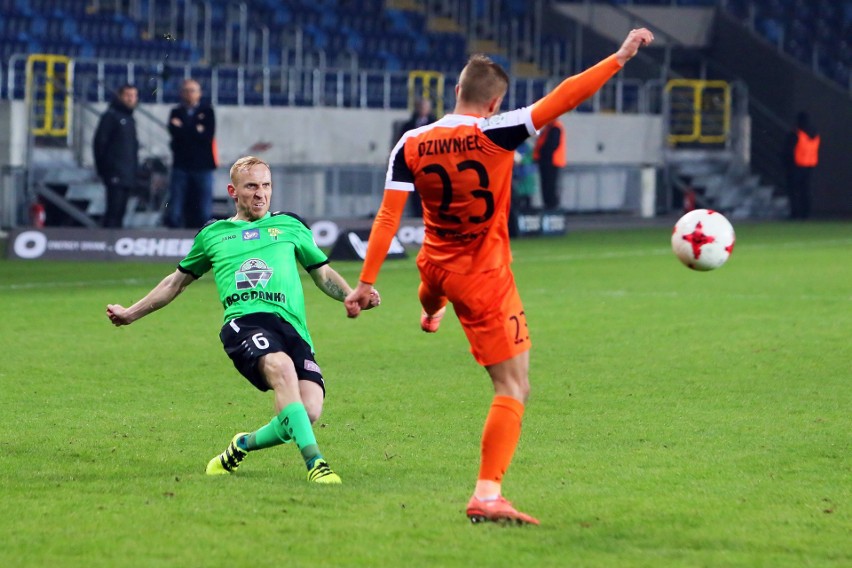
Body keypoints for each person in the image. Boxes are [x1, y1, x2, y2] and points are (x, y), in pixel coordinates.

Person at [344, 28, 654, 525]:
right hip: (483, 275)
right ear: (495, 103)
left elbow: (386, 218)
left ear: (456, 92)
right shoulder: (497, 131)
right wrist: (618, 57)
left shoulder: (411, 141)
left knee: (434, 286)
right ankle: (487, 494)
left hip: (434, 264)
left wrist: (365, 281)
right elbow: (564, 96)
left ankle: (430, 310)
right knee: (514, 386)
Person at [106, 156, 380, 484]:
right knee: (281, 371)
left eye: (266, 186)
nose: (260, 193)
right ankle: (316, 463)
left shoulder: (290, 226)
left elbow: (322, 274)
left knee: (307, 412)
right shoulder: (214, 235)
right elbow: (174, 283)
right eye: (251, 186)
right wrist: (130, 313)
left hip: (292, 327)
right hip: (245, 324)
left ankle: (240, 446)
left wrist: (352, 295)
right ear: (233, 191)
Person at [164, 79, 217, 228]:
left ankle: (204, 239)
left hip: (203, 166)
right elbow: (175, 135)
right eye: (186, 90)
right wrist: (195, 129)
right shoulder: (176, 111)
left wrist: (184, 127)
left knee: (204, 207)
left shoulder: (207, 111)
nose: (189, 94)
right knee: (176, 206)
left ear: (199, 93)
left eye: (192, 90)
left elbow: (206, 137)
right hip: (181, 166)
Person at [93, 84, 139, 228]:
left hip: (127, 174)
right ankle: (108, 244)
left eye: (134, 96)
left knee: (120, 212)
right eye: (128, 95)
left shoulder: (129, 119)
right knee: (113, 211)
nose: (131, 99)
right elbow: (99, 143)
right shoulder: (110, 116)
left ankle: (116, 243)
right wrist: (104, 169)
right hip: (114, 172)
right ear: (119, 96)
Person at [396, 98, 438, 217]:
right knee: (414, 192)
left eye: (425, 106)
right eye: (421, 106)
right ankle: (416, 215)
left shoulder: (435, 124)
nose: (422, 109)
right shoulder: (408, 125)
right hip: (413, 163)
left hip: (429, 164)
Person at [782, 111, 820, 220]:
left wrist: (786, 163)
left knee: (794, 191)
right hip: (809, 165)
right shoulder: (815, 133)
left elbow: (788, 150)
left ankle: (795, 213)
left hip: (796, 165)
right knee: (805, 190)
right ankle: (806, 213)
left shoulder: (797, 134)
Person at [533, 119, 567, 210]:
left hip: (552, 162)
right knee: (546, 186)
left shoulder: (556, 128)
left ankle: (551, 206)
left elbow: (552, 145)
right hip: (546, 162)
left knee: (551, 186)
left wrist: (542, 153)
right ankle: (548, 205)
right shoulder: (549, 128)